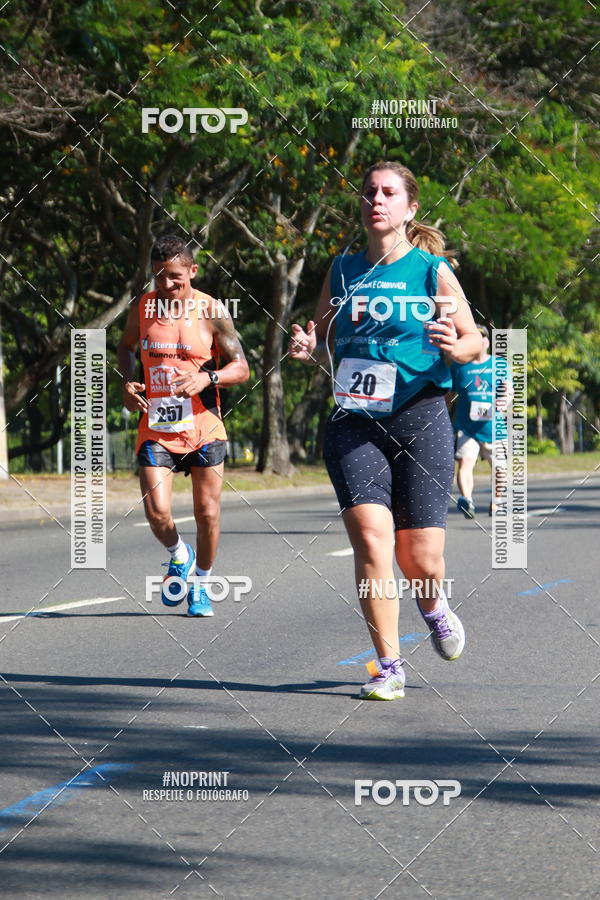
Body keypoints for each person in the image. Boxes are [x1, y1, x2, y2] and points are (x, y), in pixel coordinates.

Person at [289, 161, 482, 700]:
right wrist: (308, 349)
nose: (377, 199)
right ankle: (389, 665)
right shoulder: (343, 270)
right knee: (373, 542)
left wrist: (453, 345)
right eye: (370, 191)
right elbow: (322, 334)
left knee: (418, 559)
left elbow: (476, 342)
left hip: (420, 416)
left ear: (409, 207)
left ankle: (433, 604)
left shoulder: (431, 270)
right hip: (354, 421)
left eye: (389, 192)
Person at [117, 234, 249, 617]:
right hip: (156, 426)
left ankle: (202, 585)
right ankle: (180, 554)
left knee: (207, 514)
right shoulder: (142, 308)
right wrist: (128, 382)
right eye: (159, 276)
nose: (167, 284)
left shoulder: (212, 311)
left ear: (193, 270)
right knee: (157, 513)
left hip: (204, 426)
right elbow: (126, 348)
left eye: (175, 276)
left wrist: (208, 379)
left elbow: (241, 367)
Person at [449, 324, 511, 518]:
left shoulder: (498, 365)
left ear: (487, 342)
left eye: (482, 337)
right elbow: (449, 395)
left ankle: (497, 501)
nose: (479, 341)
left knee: (500, 468)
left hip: (494, 427)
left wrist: (504, 401)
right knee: (465, 463)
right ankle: (467, 500)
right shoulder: (459, 367)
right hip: (467, 427)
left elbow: (508, 389)